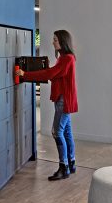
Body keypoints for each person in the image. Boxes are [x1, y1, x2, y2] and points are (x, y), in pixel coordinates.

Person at [15, 29, 77, 181]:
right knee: (66, 132)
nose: (53, 42)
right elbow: (54, 74)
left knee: (57, 132)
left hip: (64, 101)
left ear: (63, 41)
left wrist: (25, 74)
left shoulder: (67, 58)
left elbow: (50, 74)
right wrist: (48, 69)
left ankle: (64, 167)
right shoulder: (64, 58)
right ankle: (71, 162)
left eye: (55, 39)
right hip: (62, 99)